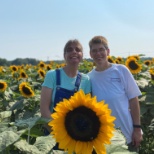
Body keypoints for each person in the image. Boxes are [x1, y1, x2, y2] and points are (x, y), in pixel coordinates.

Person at [88, 35, 143, 152]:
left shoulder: (121, 70)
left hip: (127, 134)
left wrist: (137, 129)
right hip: (104, 140)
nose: (98, 54)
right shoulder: (88, 78)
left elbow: (133, 99)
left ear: (107, 51)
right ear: (90, 54)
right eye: (94, 51)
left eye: (101, 50)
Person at [40, 39, 91, 136]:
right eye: (69, 49)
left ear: (82, 55)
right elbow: (44, 109)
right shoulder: (52, 75)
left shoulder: (86, 80)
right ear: (65, 55)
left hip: (75, 134)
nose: (74, 52)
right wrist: (59, 133)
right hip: (52, 134)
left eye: (78, 49)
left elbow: (87, 110)